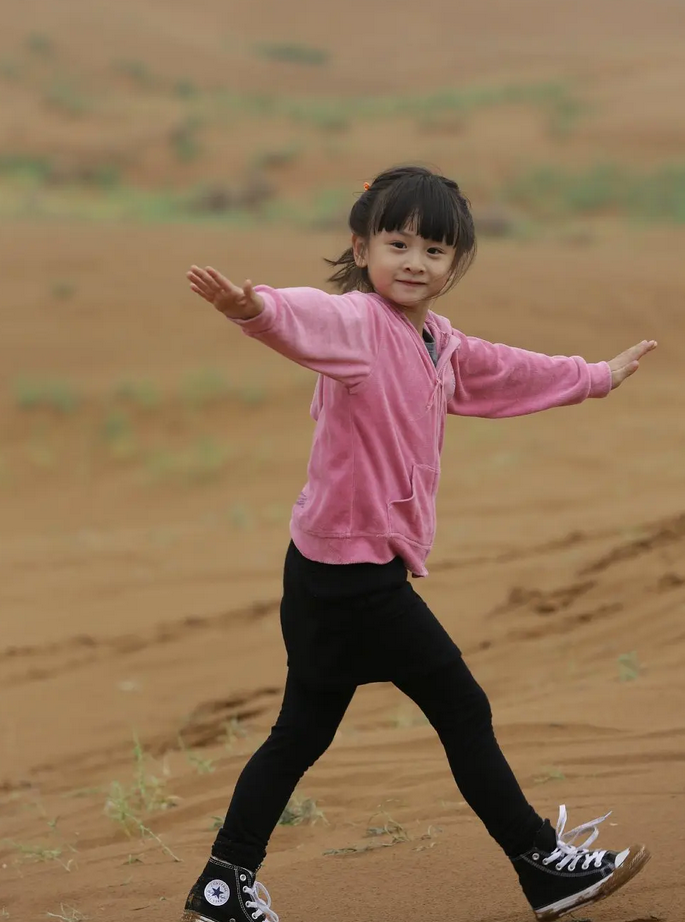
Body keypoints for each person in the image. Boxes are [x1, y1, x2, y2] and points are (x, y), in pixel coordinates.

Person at [180, 165, 656, 922]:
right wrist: (254, 309)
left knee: (298, 733)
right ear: (361, 246)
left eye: (433, 251)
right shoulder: (361, 326)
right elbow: (307, 316)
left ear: (453, 264)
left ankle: (222, 885)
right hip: (351, 577)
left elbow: (504, 370)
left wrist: (594, 375)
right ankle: (541, 864)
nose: (413, 262)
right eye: (397, 243)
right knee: (461, 708)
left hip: (325, 571)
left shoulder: (435, 341)